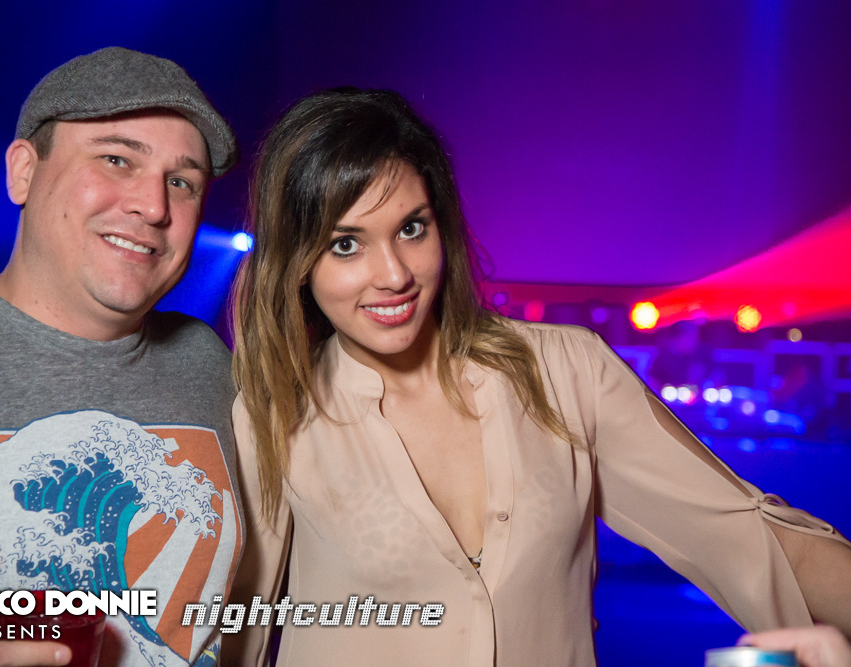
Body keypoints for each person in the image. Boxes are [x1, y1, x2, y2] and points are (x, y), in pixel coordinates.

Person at [225, 88, 851, 666]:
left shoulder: (568, 373)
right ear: (296, 262)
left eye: (411, 229)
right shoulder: (275, 414)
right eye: (345, 244)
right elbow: (235, 630)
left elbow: (750, 536)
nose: (394, 275)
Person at [0, 47, 242, 667]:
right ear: (23, 173)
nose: (153, 206)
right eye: (117, 159)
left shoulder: (212, 366)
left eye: (182, 182)